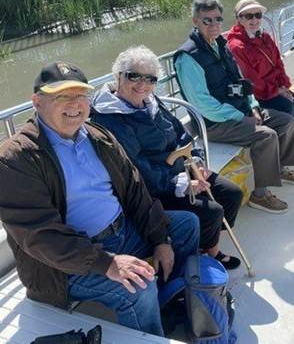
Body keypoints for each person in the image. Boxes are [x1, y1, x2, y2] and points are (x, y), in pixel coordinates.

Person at [0, 62, 199, 336]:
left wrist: (160, 240)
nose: (75, 104)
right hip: (64, 263)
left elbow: (135, 190)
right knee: (138, 287)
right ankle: (152, 334)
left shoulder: (98, 136)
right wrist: (108, 263)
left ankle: (163, 301)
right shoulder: (15, 158)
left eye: (81, 96)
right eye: (62, 96)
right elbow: (39, 236)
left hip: (124, 231)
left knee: (187, 225)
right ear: (37, 101)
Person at [90, 46, 243, 270]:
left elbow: (180, 132)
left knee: (231, 194)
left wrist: (196, 161)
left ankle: (204, 245)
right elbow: (136, 166)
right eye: (134, 76)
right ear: (118, 76)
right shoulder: (109, 118)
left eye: (150, 79)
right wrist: (179, 184)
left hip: (182, 168)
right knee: (211, 212)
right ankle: (210, 251)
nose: (143, 85)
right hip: (153, 189)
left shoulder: (151, 102)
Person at [173, 0, 294, 215]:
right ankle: (260, 196)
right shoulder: (188, 58)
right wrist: (240, 116)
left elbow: (243, 83)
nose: (214, 25)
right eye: (207, 20)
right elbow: (202, 103)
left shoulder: (220, 46)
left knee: (287, 121)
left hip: (240, 111)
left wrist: (253, 105)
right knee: (266, 135)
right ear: (195, 21)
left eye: (217, 19)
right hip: (214, 124)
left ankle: (280, 168)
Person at [227, 0, 294, 124]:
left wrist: (283, 86)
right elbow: (251, 80)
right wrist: (276, 91)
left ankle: (290, 135)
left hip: (274, 86)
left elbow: (278, 62)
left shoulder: (265, 36)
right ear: (239, 19)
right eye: (249, 16)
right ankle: (282, 139)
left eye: (258, 15)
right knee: (287, 106)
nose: (255, 20)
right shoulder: (237, 46)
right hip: (259, 94)